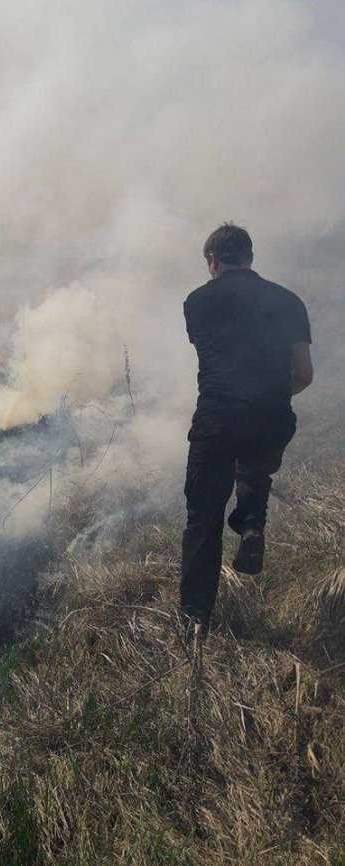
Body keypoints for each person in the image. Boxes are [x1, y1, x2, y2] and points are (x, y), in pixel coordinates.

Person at [181, 223, 313, 635]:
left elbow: (216, 357)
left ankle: (195, 620)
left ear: (213, 261)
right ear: (250, 257)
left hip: (217, 418)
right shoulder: (288, 301)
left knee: (203, 519)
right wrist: (271, 396)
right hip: (272, 416)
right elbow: (304, 374)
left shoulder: (197, 302)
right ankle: (252, 523)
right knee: (255, 465)